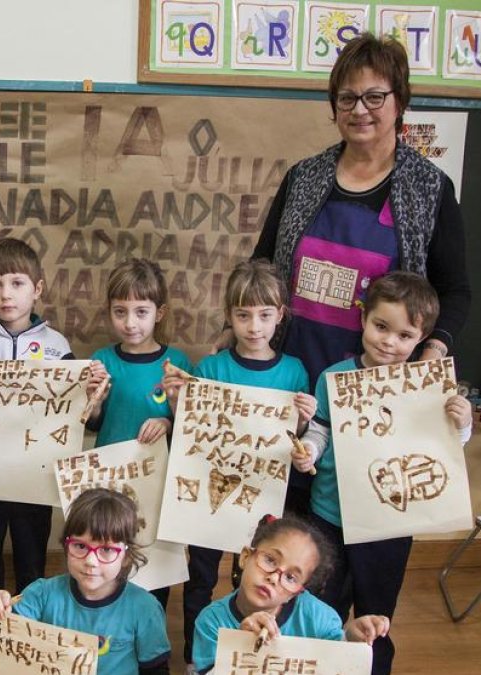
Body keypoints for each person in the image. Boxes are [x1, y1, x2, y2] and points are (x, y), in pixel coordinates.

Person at [249, 33, 470, 518]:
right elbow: (262, 266)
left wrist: (428, 356)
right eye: (346, 97)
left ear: (399, 101)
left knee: (362, 528)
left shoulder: (429, 188)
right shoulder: (304, 178)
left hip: (375, 394)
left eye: (375, 96)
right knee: (281, 528)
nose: (360, 109)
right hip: (292, 378)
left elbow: (455, 289)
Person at [292, 271, 473, 675]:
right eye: (381, 327)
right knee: (322, 609)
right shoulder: (333, 377)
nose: (389, 342)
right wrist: (309, 450)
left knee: (377, 615)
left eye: (405, 336)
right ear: (363, 319)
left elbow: (442, 449)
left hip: (388, 525)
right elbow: (321, 427)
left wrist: (461, 424)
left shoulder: (425, 386)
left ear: (422, 339)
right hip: (329, 516)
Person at [162, 260, 316, 670]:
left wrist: (304, 417)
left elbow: (297, 439)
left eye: (265, 315)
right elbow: (191, 430)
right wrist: (178, 404)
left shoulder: (294, 371)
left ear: (280, 315)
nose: (254, 326)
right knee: (200, 580)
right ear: (229, 316)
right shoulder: (211, 369)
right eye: (243, 315)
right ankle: (199, 659)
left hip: (263, 499)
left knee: (252, 581)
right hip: (210, 498)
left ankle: (248, 658)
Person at [0, 237, 104, 605]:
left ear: (37, 289)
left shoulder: (57, 345)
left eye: (17, 283)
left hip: (33, 476)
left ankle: (29, 628)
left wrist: (90, 394)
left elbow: (79, 416)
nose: (6, 294)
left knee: (30, 560)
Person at [0, 488, 171, 675]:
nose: (90, 561)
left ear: (127, 556)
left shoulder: (144, 608)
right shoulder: (42, 594)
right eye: (80, 546)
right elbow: (5, 636)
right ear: (66, 545)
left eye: (106, 549)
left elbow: (155, 669)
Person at [190, 515, 390, 674]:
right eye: (270, 560)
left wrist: (352, 640)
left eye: (291, 577)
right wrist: (242, 644)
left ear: (297, 593)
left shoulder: (319, 618)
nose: (274, 578)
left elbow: (335, 662)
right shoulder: (211, 622)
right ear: (245, 557)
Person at [85, 258, 192, 449]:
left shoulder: (178, 363)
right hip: (108, 469)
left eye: (141, 312)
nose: (130, 323)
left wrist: (166, 424)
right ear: (109, 311)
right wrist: (95, 403)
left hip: (158, 470)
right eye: (120, 312)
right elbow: (93, 425)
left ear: (159, 313)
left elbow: (190, 427)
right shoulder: (101, 361)